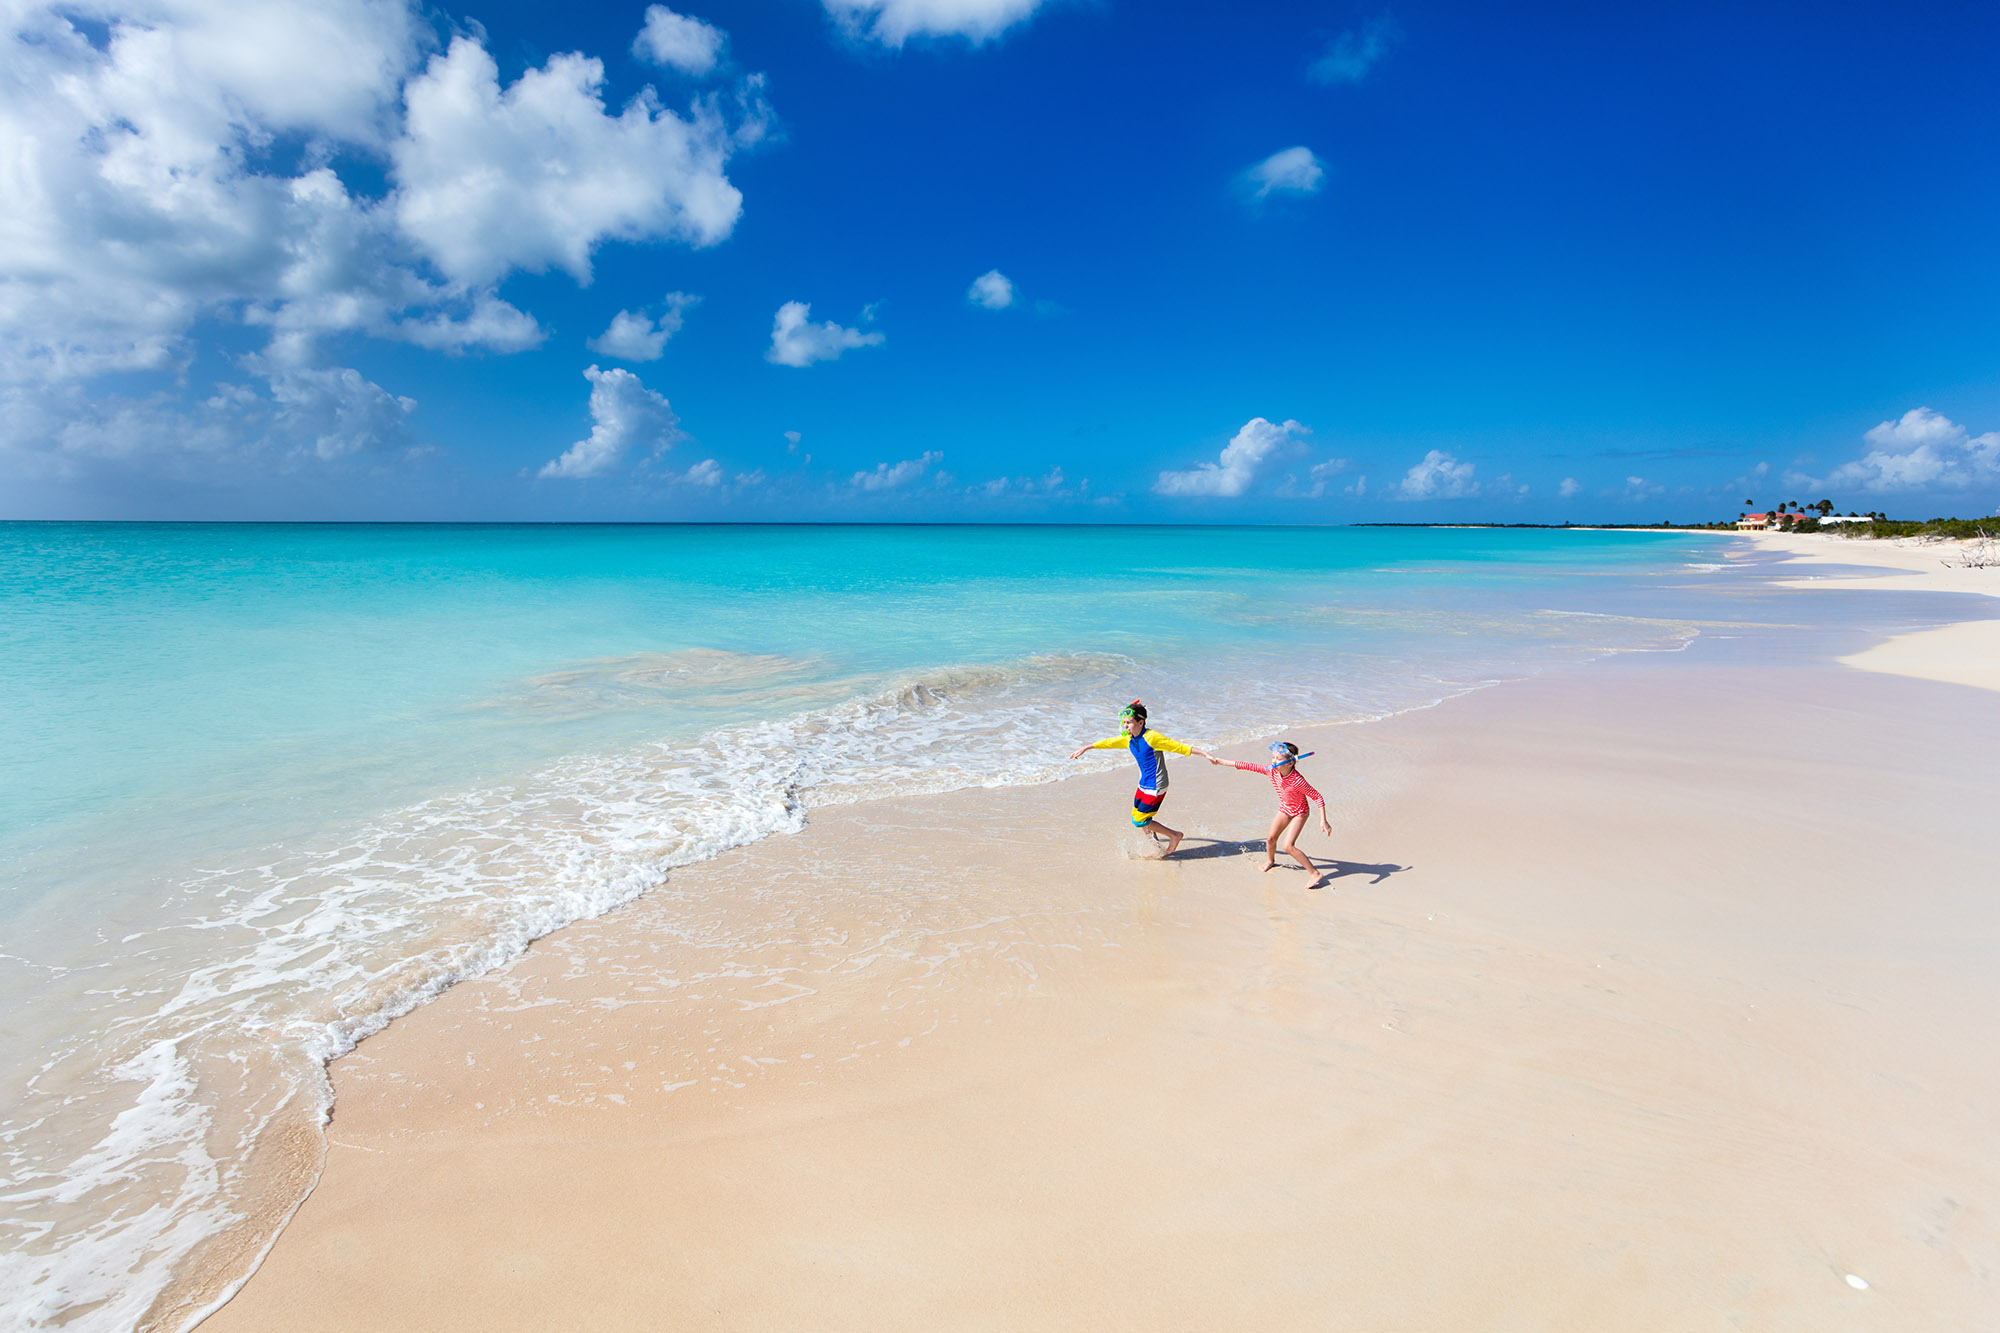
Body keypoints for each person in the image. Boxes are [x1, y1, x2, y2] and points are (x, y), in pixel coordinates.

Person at [1068, 700, 1215, 856]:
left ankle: (1174, 835)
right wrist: (1086, 747)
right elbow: (1109, 743)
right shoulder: (1129, 738)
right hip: (1144, 784)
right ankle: (1158, 847)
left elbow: (1179, 747)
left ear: (1140, 722)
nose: (1125, 726)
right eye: (1124, 722)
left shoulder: (1152, 737)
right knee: (1139, 818)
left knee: (1140, 821)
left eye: (1129, 723)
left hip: (1157, 784)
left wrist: (1206, 754)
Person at [1211, 741, 1330, 879]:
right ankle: (1270, 861)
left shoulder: (1297, 780)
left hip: (1300, 812)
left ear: (1291, 763)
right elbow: (1247, 765)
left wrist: (1323, 820)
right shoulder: (1271, 771)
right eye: (1273, 757)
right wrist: (1220, 761)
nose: (1274, 761)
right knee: (1270, 839)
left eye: (1279, 759)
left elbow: (1317, 797)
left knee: (1288, 846)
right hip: (1285, 808)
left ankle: (1315, 873)